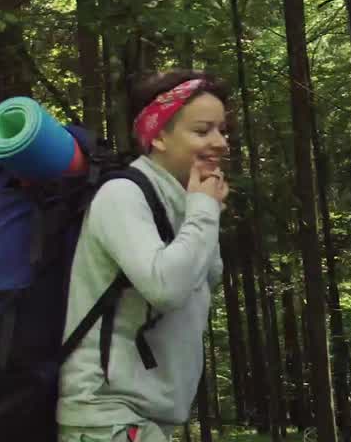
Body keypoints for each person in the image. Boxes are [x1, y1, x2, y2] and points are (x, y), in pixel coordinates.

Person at [57, 70, 231, 442]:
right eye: (203, 131)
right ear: (159, 136)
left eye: (222, 130)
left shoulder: (186, 200)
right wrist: (203, 211)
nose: (220, 143)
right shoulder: (122, 195)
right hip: (106, 416)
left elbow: (201, 281)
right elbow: (166, 288)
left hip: (145, 419)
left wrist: (201, 210)